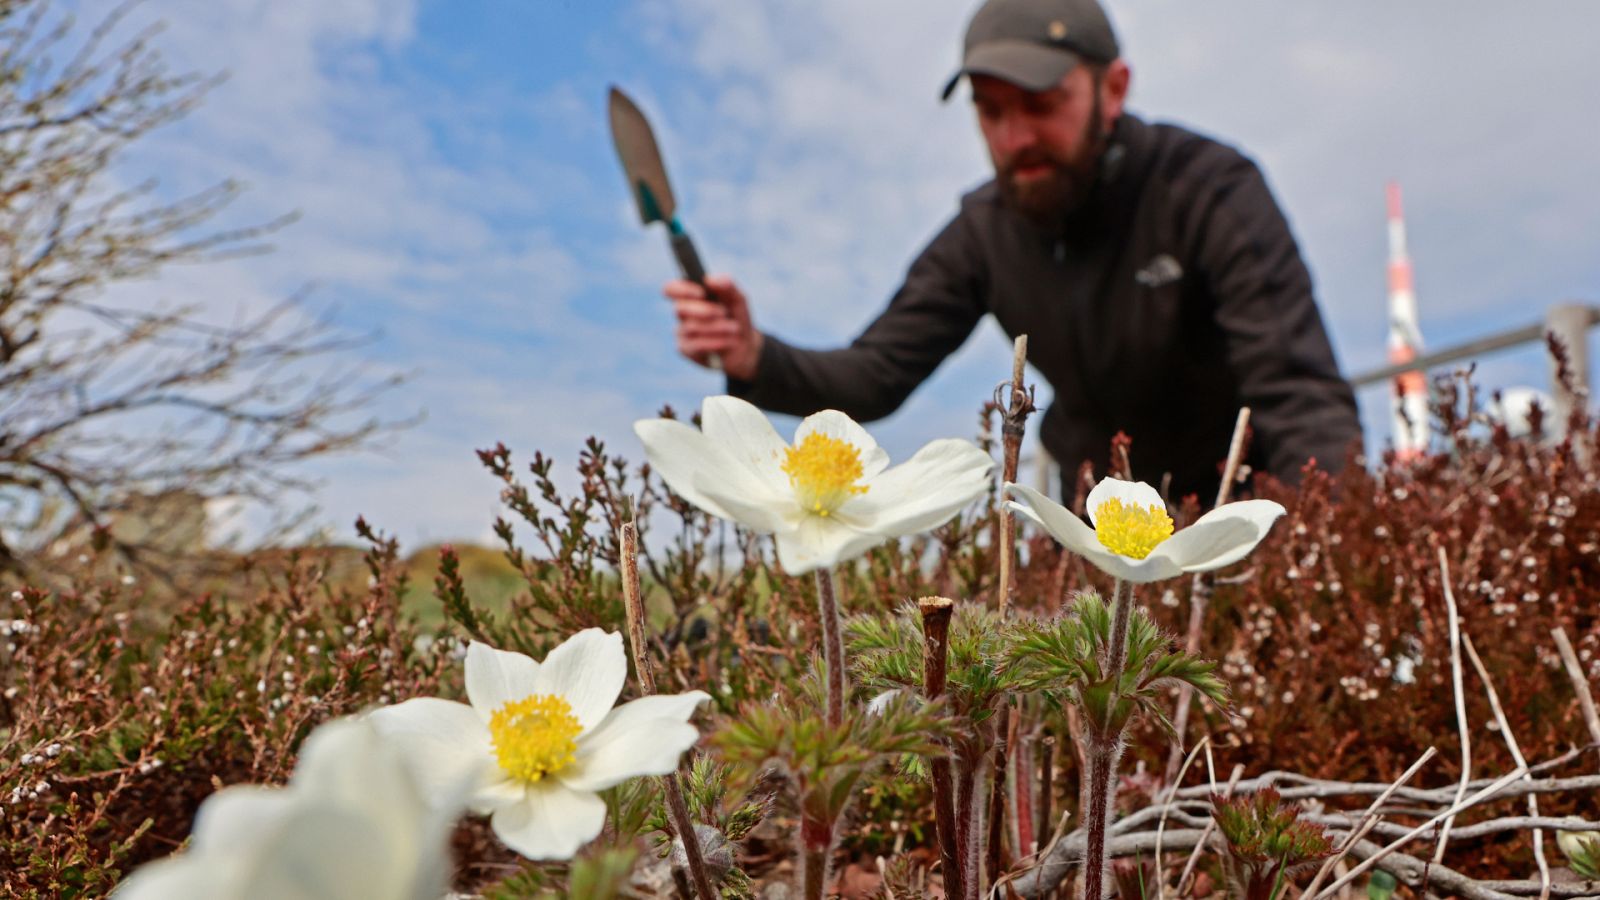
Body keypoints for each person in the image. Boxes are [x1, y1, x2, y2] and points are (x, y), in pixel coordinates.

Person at [663, 0, 1362, 504]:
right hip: (1096, 521)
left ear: (1112, 88)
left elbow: (1299, 393)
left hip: (1243, 508)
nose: (1015, 136)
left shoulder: (1209, 190)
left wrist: (1335, 554)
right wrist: (756, 356)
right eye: (990, 110)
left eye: (1041, 102)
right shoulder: (983, 231)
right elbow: (876, 374)